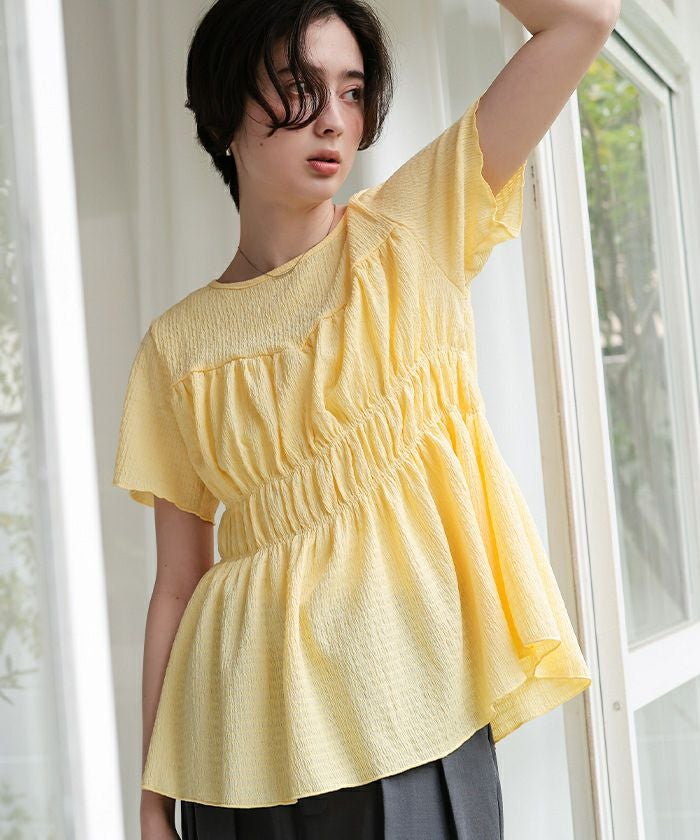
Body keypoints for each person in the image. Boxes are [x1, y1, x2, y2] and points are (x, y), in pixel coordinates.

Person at [113, 0, 620, 837]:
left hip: (410, 712)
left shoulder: (410, 231)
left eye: (352, 92)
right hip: (233, 749)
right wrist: (150, 797)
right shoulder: (176, 347)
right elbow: (177, 583)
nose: (333, 121)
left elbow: (584, 21)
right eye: (298, 88)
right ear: (225, 108)